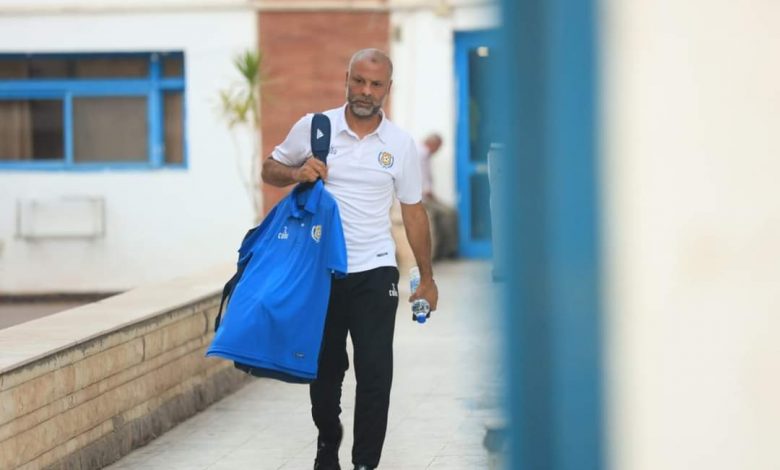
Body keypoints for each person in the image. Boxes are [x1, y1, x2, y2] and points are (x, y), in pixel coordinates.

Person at [261, 48, 439, 470]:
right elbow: (270, 168)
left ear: (388, 89)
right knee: (325, 370)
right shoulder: (315, 127)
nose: (365, 91)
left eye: (375, 84)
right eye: (358, 81)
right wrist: (296, 173)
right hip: (321, 270)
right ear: (346, 79)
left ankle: (364, 463)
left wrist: (427, 277)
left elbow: (414, 211)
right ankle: (328, 439)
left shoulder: (399, 144)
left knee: (375, 371)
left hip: (375, 269)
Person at [417, 133, 459, 260]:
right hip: (422, 198)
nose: (438, 150)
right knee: (449, 213)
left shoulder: (424, 154)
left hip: (425, 196)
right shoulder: (421, 154)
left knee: (447, 212)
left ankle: (444, 250)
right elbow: (422, 181)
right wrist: (430, 194)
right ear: (433, 144)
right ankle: (448, 251)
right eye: (439, 147)